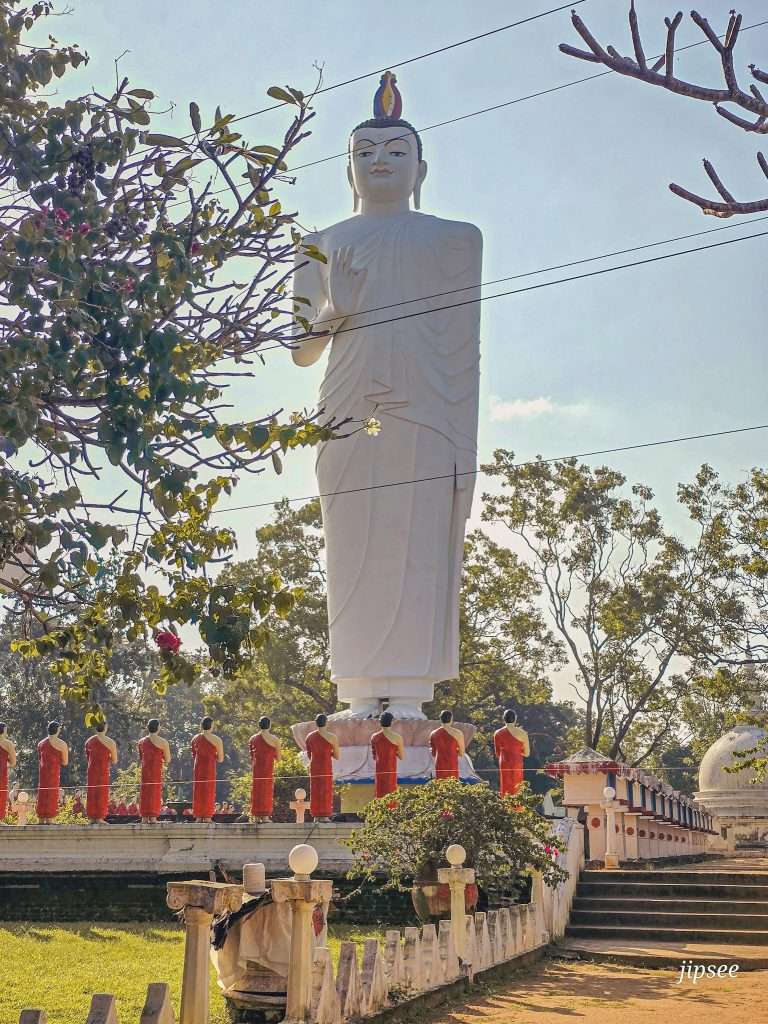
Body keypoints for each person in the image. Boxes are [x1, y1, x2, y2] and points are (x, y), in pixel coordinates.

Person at [292, 74, 482, 721]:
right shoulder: (320, 242)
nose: (380, 162)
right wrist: (335, 312)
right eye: (366, 153)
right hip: (347, 410)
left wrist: (462, 442)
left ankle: (408, 696)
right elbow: (299, 348)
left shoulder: (454, 240)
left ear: (419, 167)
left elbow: (463, 353)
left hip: (426, 413)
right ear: (348, 167)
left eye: (396, 153)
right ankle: (355, 691)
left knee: (417, 546)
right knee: (352, 547)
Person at [305, 714, 340, 820]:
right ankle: (325, 815)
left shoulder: (309, 737)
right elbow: (337, 756)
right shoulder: (332, 737)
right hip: (326, 766)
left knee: (315, 790)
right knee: (326, 790)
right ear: (326, 722)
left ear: (316, 723)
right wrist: (328, 752)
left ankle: (316, 815)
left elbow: (309, 755)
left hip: (315, 767)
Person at [191, 716, 224, 822]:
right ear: (212, 726)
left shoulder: (195, 739)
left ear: (201, 726)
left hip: (198, 768)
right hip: (209, 767)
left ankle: (198, 816)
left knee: (198, 791)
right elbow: (221, 759)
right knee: (208, 790)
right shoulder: (216, 739)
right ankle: (207, 816)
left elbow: (194, 755)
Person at [138, 719, 171, 823]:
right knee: (154, 792)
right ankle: (153, 817)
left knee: (145, 792)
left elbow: (141, 757)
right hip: (156, 770)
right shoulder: (163, 742)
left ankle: (144, 817)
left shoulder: (141, 742)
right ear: (158, 728)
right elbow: (168, 759)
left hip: (145, 771)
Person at [249, 716, 281, 822]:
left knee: (257, 791)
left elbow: (251, 756)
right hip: (267, 769)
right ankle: (265, 816)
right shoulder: (275, 739)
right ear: (270, 725)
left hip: (257, 770)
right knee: (266, 792)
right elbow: (278, 758)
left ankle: (257, 816)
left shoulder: (252, 739)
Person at [85, 721, 118, 824]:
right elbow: (114, 760)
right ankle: (99, 817)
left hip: (92, 771)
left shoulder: (89, 741)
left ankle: (92, 818)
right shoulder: (110, 742)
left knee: (92, 792)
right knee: (101, 793)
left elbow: (88, 757)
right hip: (103, 770)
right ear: (106, 728)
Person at [36, 721, 69, 823]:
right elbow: (65, 762)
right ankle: (50, 818)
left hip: (43, 774)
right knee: (52, 793)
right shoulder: (62, 744)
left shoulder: (40, 744)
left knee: (42, 793)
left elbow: (39, 759)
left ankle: (41, 818)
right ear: (58, 729)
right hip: (53, 773)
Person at [494, 709, 530, 798]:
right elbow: (527, 753)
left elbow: (497, 753)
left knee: (505, 785)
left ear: (504, 719)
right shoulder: (522, 733)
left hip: (504, 762)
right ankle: (518, 808)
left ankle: (506, 806)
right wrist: (518, 751)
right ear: (515, 719)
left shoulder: (498, 733)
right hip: (517, 762)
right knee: (517, 786)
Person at [370, 711, 404, 798]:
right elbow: (401, 756)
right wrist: (393, 751)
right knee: (391, 794)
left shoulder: (374, 737)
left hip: (379, 770)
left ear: (380, 722)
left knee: (379, 793)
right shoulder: (397, 738)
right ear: (391, 722)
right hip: (391, 770)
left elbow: (374, 755)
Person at [429, 710, 464, 780]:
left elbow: (433, 753)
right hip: (452, 764)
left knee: (440, 787)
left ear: (440, 719)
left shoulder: (433, 734)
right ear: (451, 719)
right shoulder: (458, 733)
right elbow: (462, 753)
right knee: (453, 786)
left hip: (440, 765)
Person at [0, 723, 17, 820]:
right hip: (2, 772)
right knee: (1, 794)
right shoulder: (8, 743)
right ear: (4, 731)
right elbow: (13, 762)